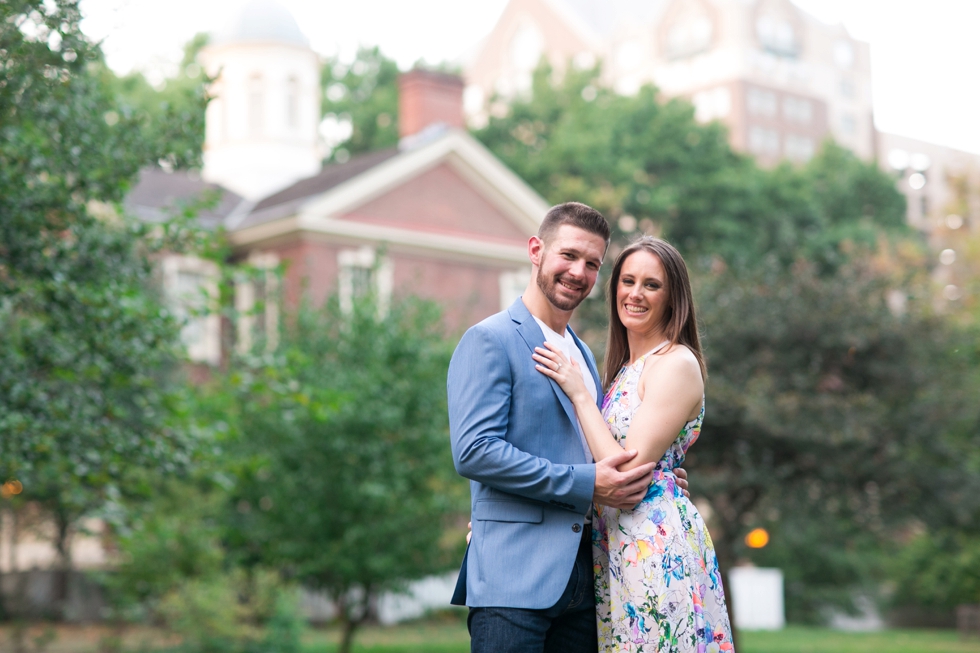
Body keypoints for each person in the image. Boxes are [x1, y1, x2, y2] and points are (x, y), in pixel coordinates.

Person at [448, 203, 688, 653]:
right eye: (569, 256)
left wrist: (657, 481)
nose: (579, 272)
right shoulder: (491, 339)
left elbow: (595, 447)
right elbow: (474, 451)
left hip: (586, 583)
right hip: (513, 578)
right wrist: (588, 484)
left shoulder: (584, 356)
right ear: (536, 250)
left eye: (593, 264)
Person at [532, 236, 734, 652]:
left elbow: (623, 476)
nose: (635, 294)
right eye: (627, 281)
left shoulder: (676, 362)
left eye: (651, 284)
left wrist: (580, 394)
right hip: (615, 548)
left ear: (673, 297)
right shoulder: (626, 369)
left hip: (654, 547)